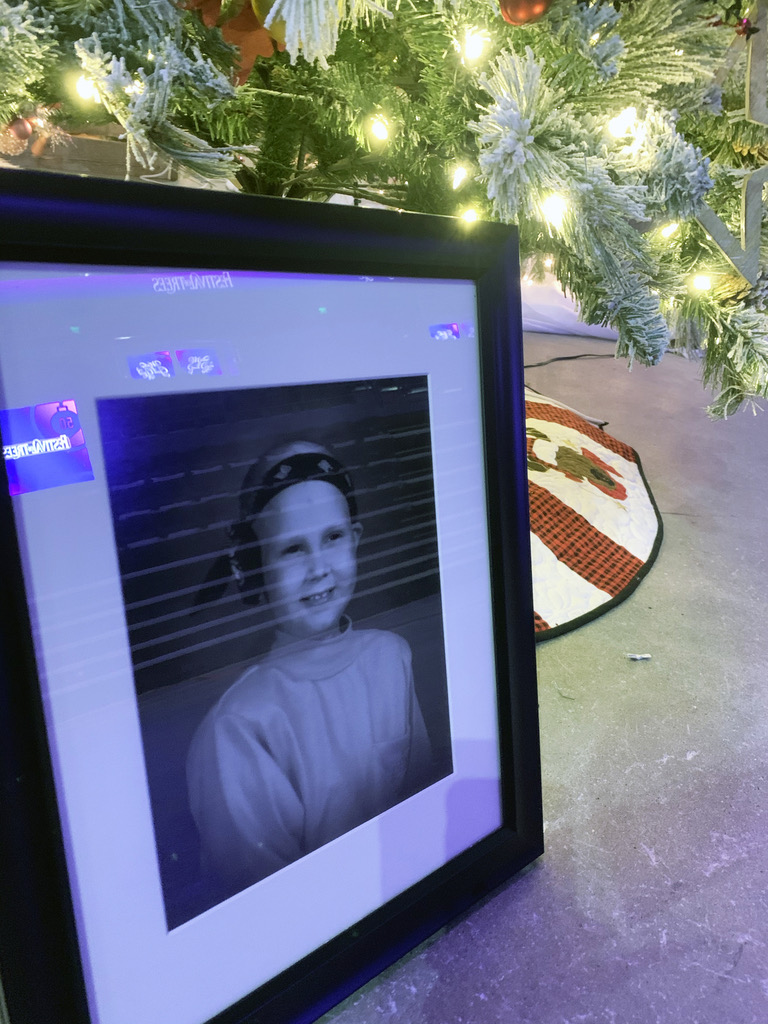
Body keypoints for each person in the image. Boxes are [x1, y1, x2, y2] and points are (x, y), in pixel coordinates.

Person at [186, 441, 434, 894]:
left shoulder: (389, 656)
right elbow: (263, 899)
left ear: (355, 539)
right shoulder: (238, 725)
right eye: (292, 549)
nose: (319, 568)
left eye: (333, 538)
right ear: (258, 565)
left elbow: (421, 802)